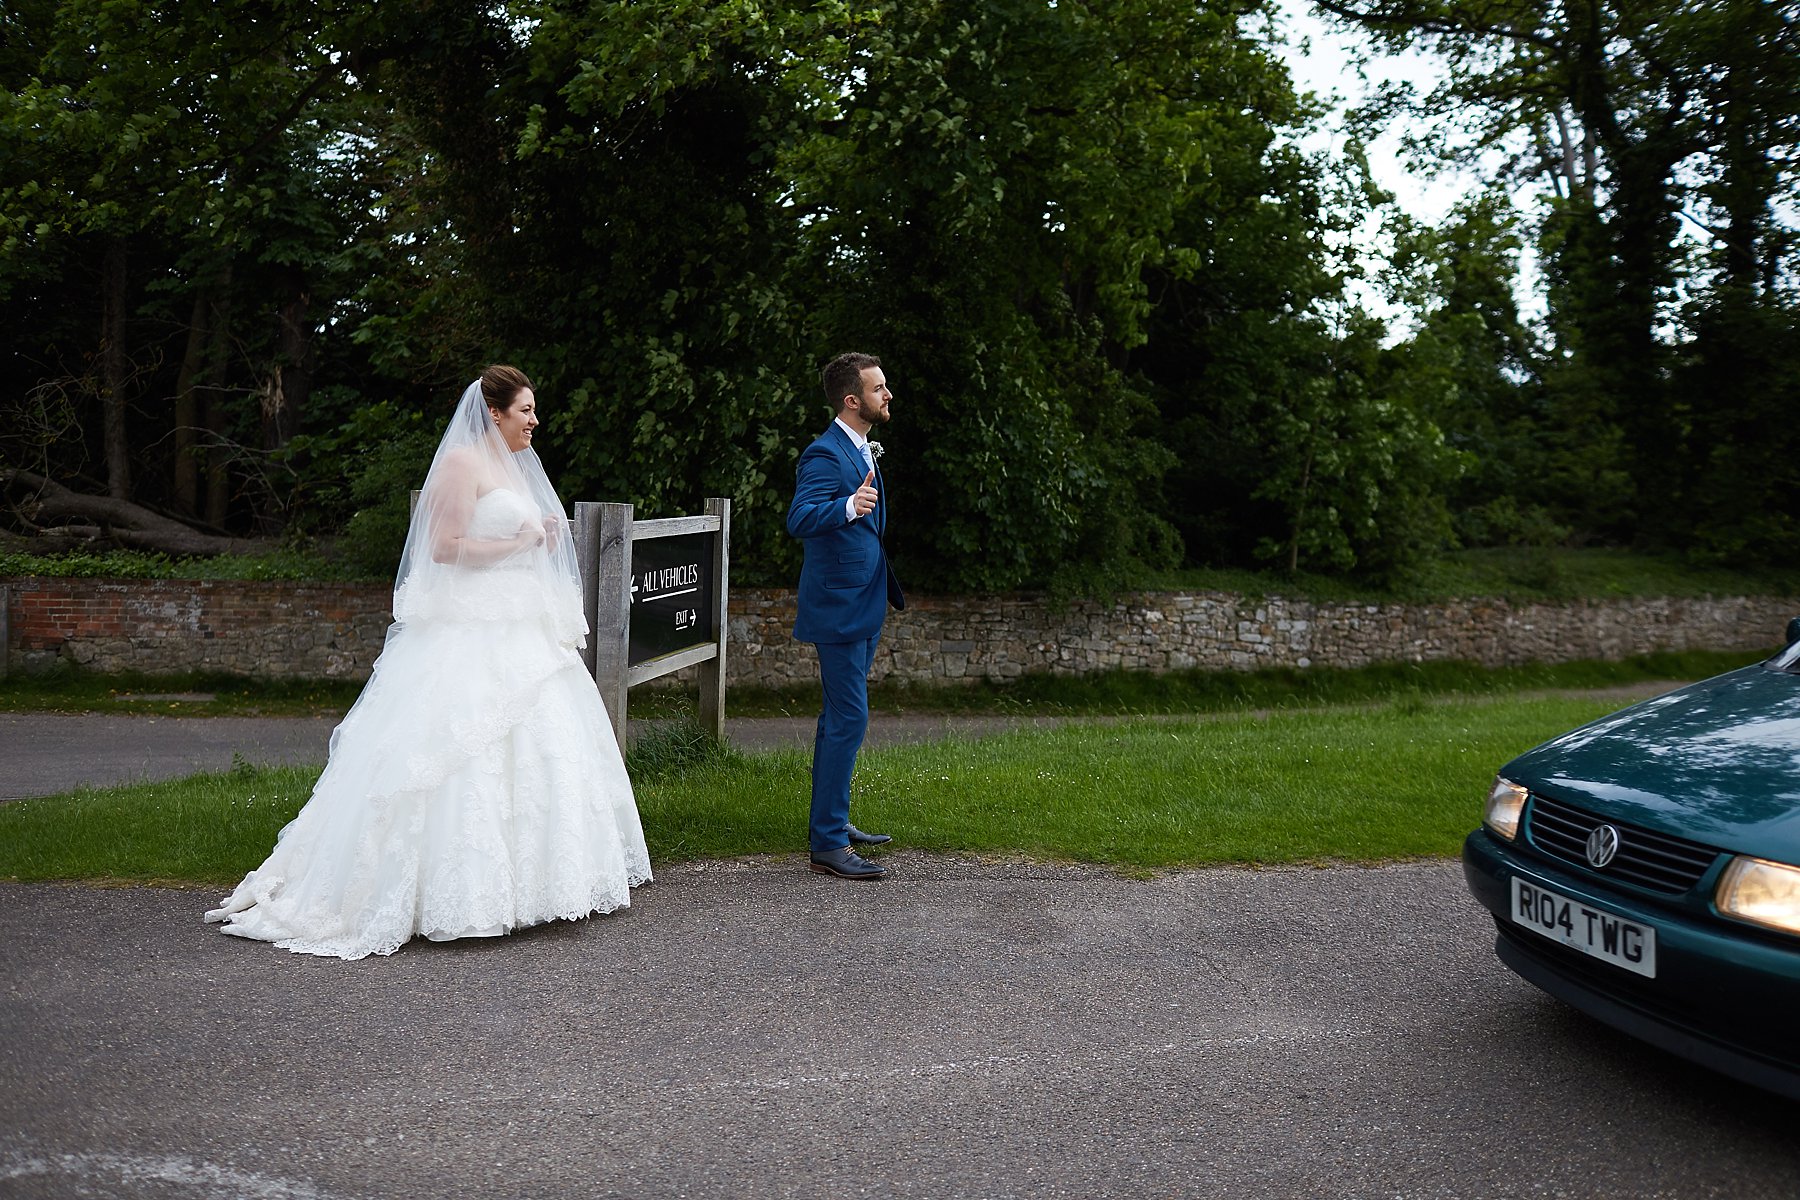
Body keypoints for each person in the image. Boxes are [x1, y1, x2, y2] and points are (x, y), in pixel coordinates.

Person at [206, 366, 652, 958]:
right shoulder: (462, 464)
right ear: (494, 413)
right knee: (455, 751)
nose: (534, 421)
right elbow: (445, 549)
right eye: (526, 410)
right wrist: (517, 542)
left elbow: (506, 536)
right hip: (467, 630)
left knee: (541, 748)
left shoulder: (515, 467)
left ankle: (536, 888)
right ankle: (446, 894)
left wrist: (538, 533)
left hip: (519, 625)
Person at [785, 351, 906, 879]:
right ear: (852, 400)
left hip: (865, 600)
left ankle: (834, 822)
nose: (888, 395)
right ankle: (829, 844)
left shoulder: (861, 447)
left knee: (839, 719)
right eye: (879, 389)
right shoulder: (824, 454)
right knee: (849, 718)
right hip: (837, 608)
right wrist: (845, 508)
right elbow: (799, 518)